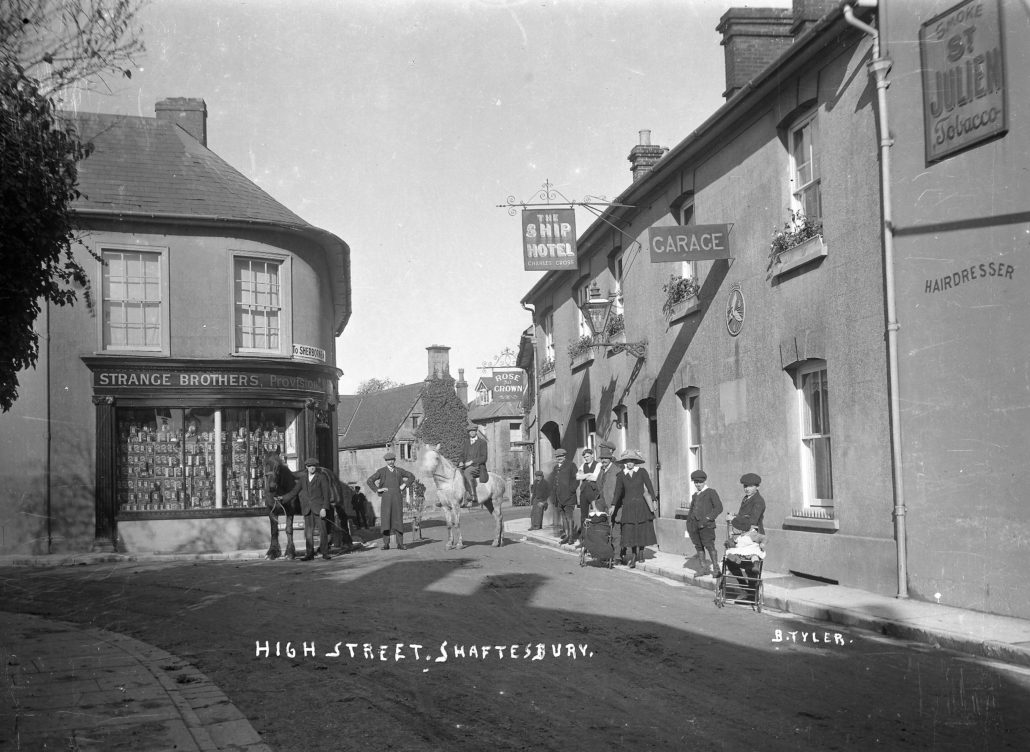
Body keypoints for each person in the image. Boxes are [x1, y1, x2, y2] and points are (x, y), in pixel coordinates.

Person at [609, 449, 658, 568]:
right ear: (625, 462)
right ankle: (634, 554)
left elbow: (649, 486)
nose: (630, 463)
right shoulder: (621, 475)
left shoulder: (641, 472)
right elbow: (617, 492)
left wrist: (654, 500)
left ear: (635, 461)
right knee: (630, 530)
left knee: (641, 529)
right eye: (627, 461)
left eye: (632, 461)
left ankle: (640, 553)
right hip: (629, 507)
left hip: (641, 505)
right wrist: (613, 505)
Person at [367, 451, 415, 550]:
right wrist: (377, 489)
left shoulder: (399, 471)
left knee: (398, 520)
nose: (390, 462)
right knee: (386, 521)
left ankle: (400, 544)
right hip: (386, 499)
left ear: (394, 460)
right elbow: (369, 480)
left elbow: (411, 476)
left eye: (392, 460)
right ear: (386, 461)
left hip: (397, 499)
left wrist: (404, 485)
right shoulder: (381, 471)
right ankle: (386, 544)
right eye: (388, 460)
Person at [262, 452, 300, 560]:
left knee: (289, 524)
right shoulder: (269, 474)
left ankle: (290, 546)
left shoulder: (285, 477)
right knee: (273, 525)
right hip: (273, 493)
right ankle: (274, 548)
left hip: (284, 497)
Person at [721, 515, 767, 603]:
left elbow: (763, 538)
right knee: (729, 560)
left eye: (737, 528)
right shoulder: (740, 536)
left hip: (750, 558)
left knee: (752, 571)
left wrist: (762, 544)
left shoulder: (753, 534)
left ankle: (751, 594)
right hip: (741, 557)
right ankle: (745, 589)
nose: (735, 530)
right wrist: (730, 543)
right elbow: (736, 545)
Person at [686, 470, 723, 577]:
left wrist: (708, 518)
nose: (697, 484)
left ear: (704, 481)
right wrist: (689, 524)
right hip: (694, 525)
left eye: (700, 482)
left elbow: (719, 508)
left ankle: (716, 569)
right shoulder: (695, 495)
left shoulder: (711, 492)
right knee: (698, 547)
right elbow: (691, 510)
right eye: (695, 482)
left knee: (710, 546)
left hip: (707, 526)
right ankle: (703, 569)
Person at [296, 457, 333, 561]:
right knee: (308, 532)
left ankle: (325, 553)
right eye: (310, 466)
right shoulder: (303, 479)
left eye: (314, 466)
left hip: (319, 509)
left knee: (323, 531)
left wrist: (324, 508)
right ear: (306, 467)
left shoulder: (321, 477)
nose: (312, 468)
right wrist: (282, 498)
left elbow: (326, 494)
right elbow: (295, 491)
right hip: (307, 510)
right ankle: (309, 554)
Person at [595, 441, 623, 561]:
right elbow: (599, 488)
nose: (604, 460)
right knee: (606, 531)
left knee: (616, 532)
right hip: (603, 506)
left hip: (615, 506)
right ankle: (607, 554)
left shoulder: (617, 470)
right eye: (602, 458)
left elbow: (619, 490)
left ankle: (617, 556)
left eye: (606, 458)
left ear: (611, 458)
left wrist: (614, 505)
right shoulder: (602, 470)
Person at [549, 448, 578, 543]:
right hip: (559, 497)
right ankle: (566, 535)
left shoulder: (571, 465)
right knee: (563, 517)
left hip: (569, 496)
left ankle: (571, 537)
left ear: (564, 456)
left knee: (569, 517)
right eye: (557, 456)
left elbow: (576, 479)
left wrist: (571, 490)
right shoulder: (556, 468)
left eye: (561, 456)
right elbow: (553, 482)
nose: (559, 458)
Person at [573, 447, 600, 546]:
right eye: (585, 457)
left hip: (593, 492)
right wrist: (588, 474)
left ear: (592, 455)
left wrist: (584, 475)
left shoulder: (598, 464)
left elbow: (595, 477)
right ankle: (584, 539)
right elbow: (577, 476)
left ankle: (595, 539)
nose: (586, 458)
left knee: (595, 514)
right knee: (583, 516)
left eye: (588, 456)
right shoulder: (583, 465)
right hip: (584, 492)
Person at [459, 424, 488, 506]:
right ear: (468, 433)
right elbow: (462, 455)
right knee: (457, 473)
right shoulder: (466, 442)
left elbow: (484, 458)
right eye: (470, 431)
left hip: (478, 466)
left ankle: (473, 496)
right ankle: (462, 497)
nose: (472, 433)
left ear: (476, 432)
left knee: (467, 472)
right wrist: (461, 461)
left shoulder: (482, 442)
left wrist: (472, 462)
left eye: (473, 431)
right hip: (465, 465)